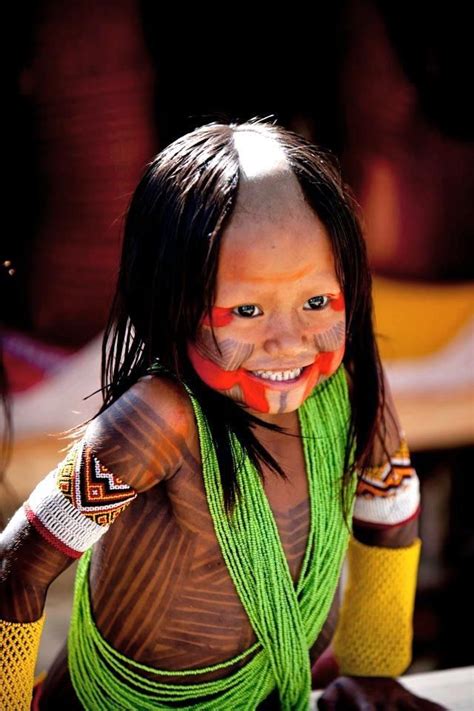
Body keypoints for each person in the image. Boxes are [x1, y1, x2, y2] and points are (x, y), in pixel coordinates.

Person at [0, 119, 444, 709]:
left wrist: (371, 668)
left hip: (273, 695)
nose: (288, 343)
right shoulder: (156, 424)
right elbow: (20, 564)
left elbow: (391, 511)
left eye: (316, 302)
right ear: (173, 302)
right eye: (247, 309)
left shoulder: (352, 387)